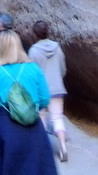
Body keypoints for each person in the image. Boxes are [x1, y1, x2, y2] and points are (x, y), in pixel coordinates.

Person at [0, 30, 61, 175]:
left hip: (5, 131)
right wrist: (30, 108)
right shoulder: (33, 69)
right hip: (33, 130)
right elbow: (45, 98)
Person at [28, 21, 68, 162]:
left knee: (41, 118)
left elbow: (32, 74)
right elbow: (63, 68)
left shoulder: (33, 51)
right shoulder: (57, 48)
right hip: (57, 89)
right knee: (57, 117)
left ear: (35, 34)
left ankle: (43, 151)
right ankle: (63, 147)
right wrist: (58, 79)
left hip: (41, 91)